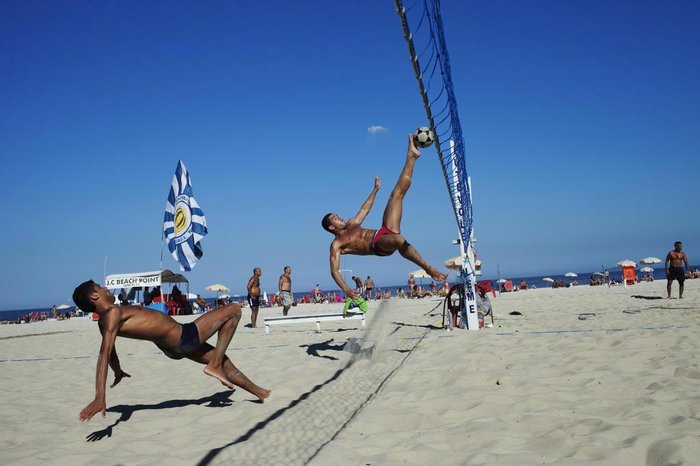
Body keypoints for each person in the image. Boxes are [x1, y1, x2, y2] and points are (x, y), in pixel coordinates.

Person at [72, 280, 270, 422]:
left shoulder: (106, 320)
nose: (106, 288)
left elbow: (110, 352)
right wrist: (100, 396)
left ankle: (261, 393)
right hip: (183, 335)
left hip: (175, 347)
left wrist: (118, 371)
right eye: (100, 287)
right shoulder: (112, 313)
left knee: (226, 362)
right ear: (94, 296)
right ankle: (215, 365)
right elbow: (104, 354)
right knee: (234, 309)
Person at [321, 134, 447, 297]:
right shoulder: (337, 244)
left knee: (397, 194)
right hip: (378, 246)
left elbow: (364, 210)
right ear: (331, 227)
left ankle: (411, 156)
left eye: (337, 215)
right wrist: (346, 290)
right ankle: (428, 268)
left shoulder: (352, 223)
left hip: (383, 231)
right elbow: (335, 271)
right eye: (335, 218)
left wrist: (375, 190)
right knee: (398, 240)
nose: (340, 217)